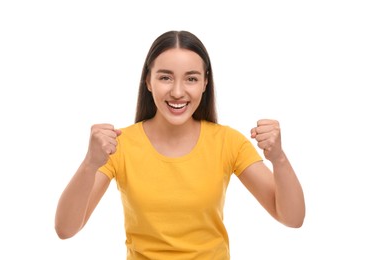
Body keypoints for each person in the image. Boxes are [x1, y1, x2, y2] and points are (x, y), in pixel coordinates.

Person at [55, 30, 305, 259]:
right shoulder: (121, 145)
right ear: (148, 81)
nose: (177, 91)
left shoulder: (228, 142)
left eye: (191, 79)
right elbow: (66, 229)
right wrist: (90, 164)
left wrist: (279, 158)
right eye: (165, 77)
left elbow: (292, 218)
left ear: (205, 83)